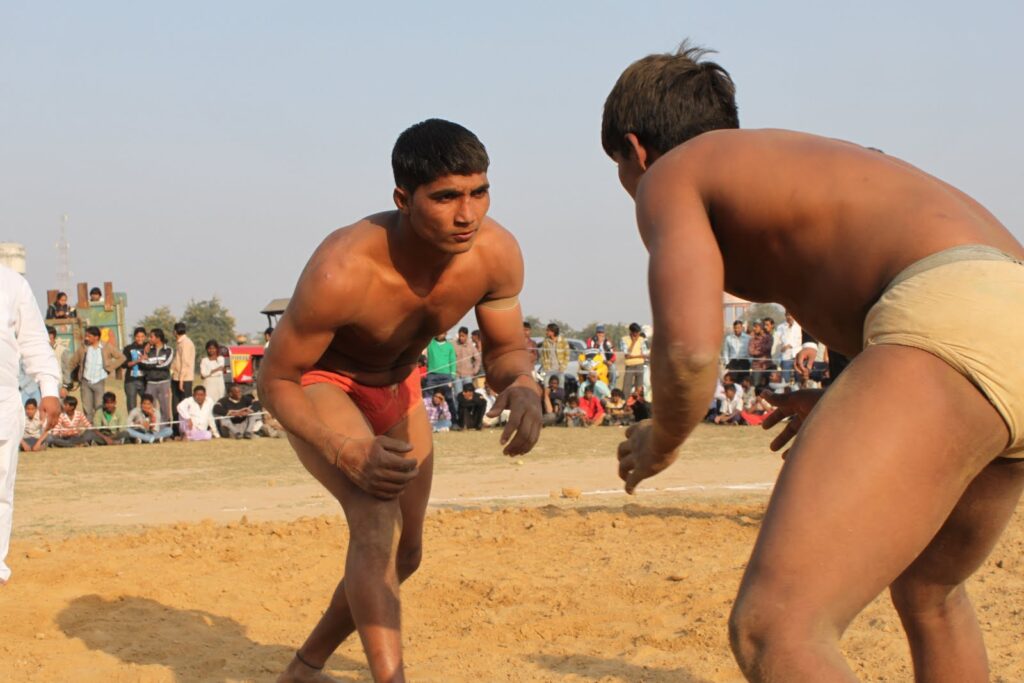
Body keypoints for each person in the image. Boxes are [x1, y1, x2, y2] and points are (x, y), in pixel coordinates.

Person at [605, 41, 1024, 681]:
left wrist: (661, 440)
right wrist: (846, 399)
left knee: (778, 627)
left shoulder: (672, 175)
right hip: (997, 305)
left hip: (948, 316)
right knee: (929, 592)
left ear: (636, 149)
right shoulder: (805, 163)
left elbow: (690, 349)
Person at [257, 118, 541, 682]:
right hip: (324, 383)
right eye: (446, 198)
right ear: (402, 199)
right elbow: (276, 378)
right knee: (374, 515)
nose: (468, 214)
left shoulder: (496, 254)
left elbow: (506, 348)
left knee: (406, 553)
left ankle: (304, 666)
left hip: (399, 387)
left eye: (479, 192)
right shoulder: (345, 268)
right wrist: (341, 449)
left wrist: (522, 385)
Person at [1, 266, 62, 584]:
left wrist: (49, 390)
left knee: (0, 490)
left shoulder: (12, 284)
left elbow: (35, 342)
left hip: (3, 403)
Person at [67, 326, 126, 422]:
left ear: (96, 337)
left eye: (89, 336)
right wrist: (66, 376)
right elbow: (72, 362)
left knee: (99, 407)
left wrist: (110, 367)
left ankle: (99, 429)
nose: (86, 338)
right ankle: (90, 430)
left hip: (99, 381)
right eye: (86, 336)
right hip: (85, 382)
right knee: (87, 408)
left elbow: (122, 357)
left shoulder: (106, 347)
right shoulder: (83, 348)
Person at [140, 328, 174, 426]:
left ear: (158, 338)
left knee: (165, 407)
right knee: (150, 407)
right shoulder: (148, 350)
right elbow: (142, 363)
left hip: (164, 382)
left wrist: (151, 363)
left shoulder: (168, 350)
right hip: (150, 383)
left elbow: (166, 364)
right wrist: (156, 362)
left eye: (151, 336)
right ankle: (152, 428)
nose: (149, 339)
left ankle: (166, 429)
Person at [170, 322, 196, 437]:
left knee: (184, 406)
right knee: (176, 405)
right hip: (177, 378)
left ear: (175, 331)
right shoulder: (180, 342)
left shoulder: (186, 343)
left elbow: (185, 363)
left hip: (184, 379)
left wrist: (181, 380)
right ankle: (177, 430)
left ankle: (186, 431)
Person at [424, 332, 457, 420]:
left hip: (446, 376)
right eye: (439, 332)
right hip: (432, 375)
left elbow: (453, 361)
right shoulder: (430, 343)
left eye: (443, 332)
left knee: (449, 397)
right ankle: (427, 419)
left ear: (446, 334)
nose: (440, 334)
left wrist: (452, 377)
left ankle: (454, 421)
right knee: (427, 398)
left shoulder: (449, 346)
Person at [122, 326, 148, 411]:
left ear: (145, 337)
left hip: (145, 380)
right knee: (131, 406)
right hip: (131, 380)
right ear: (134, 337)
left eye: (142, 336)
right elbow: (124, 364)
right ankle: (133, 424)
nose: (140, 338)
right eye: (137, 336)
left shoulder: (148, 348)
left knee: (146, 404)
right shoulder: (128, 348)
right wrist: (139, 360)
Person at [620, 322, 648, 394]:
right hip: (630, 366)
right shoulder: (624, 340)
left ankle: (638, 403)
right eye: (636, 333)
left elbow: (644, 354)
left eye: (638, 332)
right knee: (626, 386)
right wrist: (633, 342)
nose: (638, 334)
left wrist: (632, 356)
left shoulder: (642, 340)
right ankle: (625, 403)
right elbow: (627, 355)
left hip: (640, 365)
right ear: (632, 332)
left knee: (639, 387)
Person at [587, 324, 618, 390]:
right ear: (596, 333)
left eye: (602, 333)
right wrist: (597, 344)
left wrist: (610, 361)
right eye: (599, 333)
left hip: (606, 362)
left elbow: (613, 355)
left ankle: (611, 388)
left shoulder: (607, 342)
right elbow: (589, 352)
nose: (600, 335)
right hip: (594, 362)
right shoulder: (591, 340)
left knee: (613, 368)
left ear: (604, 334)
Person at [539, 322, 569, 387]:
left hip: (559, 368)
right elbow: (543, 355)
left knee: (561, 384)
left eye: (548, 330)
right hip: (549, 369)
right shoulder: (546, 341)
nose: (546, 332)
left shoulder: (562, 341)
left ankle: (559, 397)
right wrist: (546, 367)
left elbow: (567, 355)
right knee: (546, 383)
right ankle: (546, 397)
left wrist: (563, 367)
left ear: (553, 332)